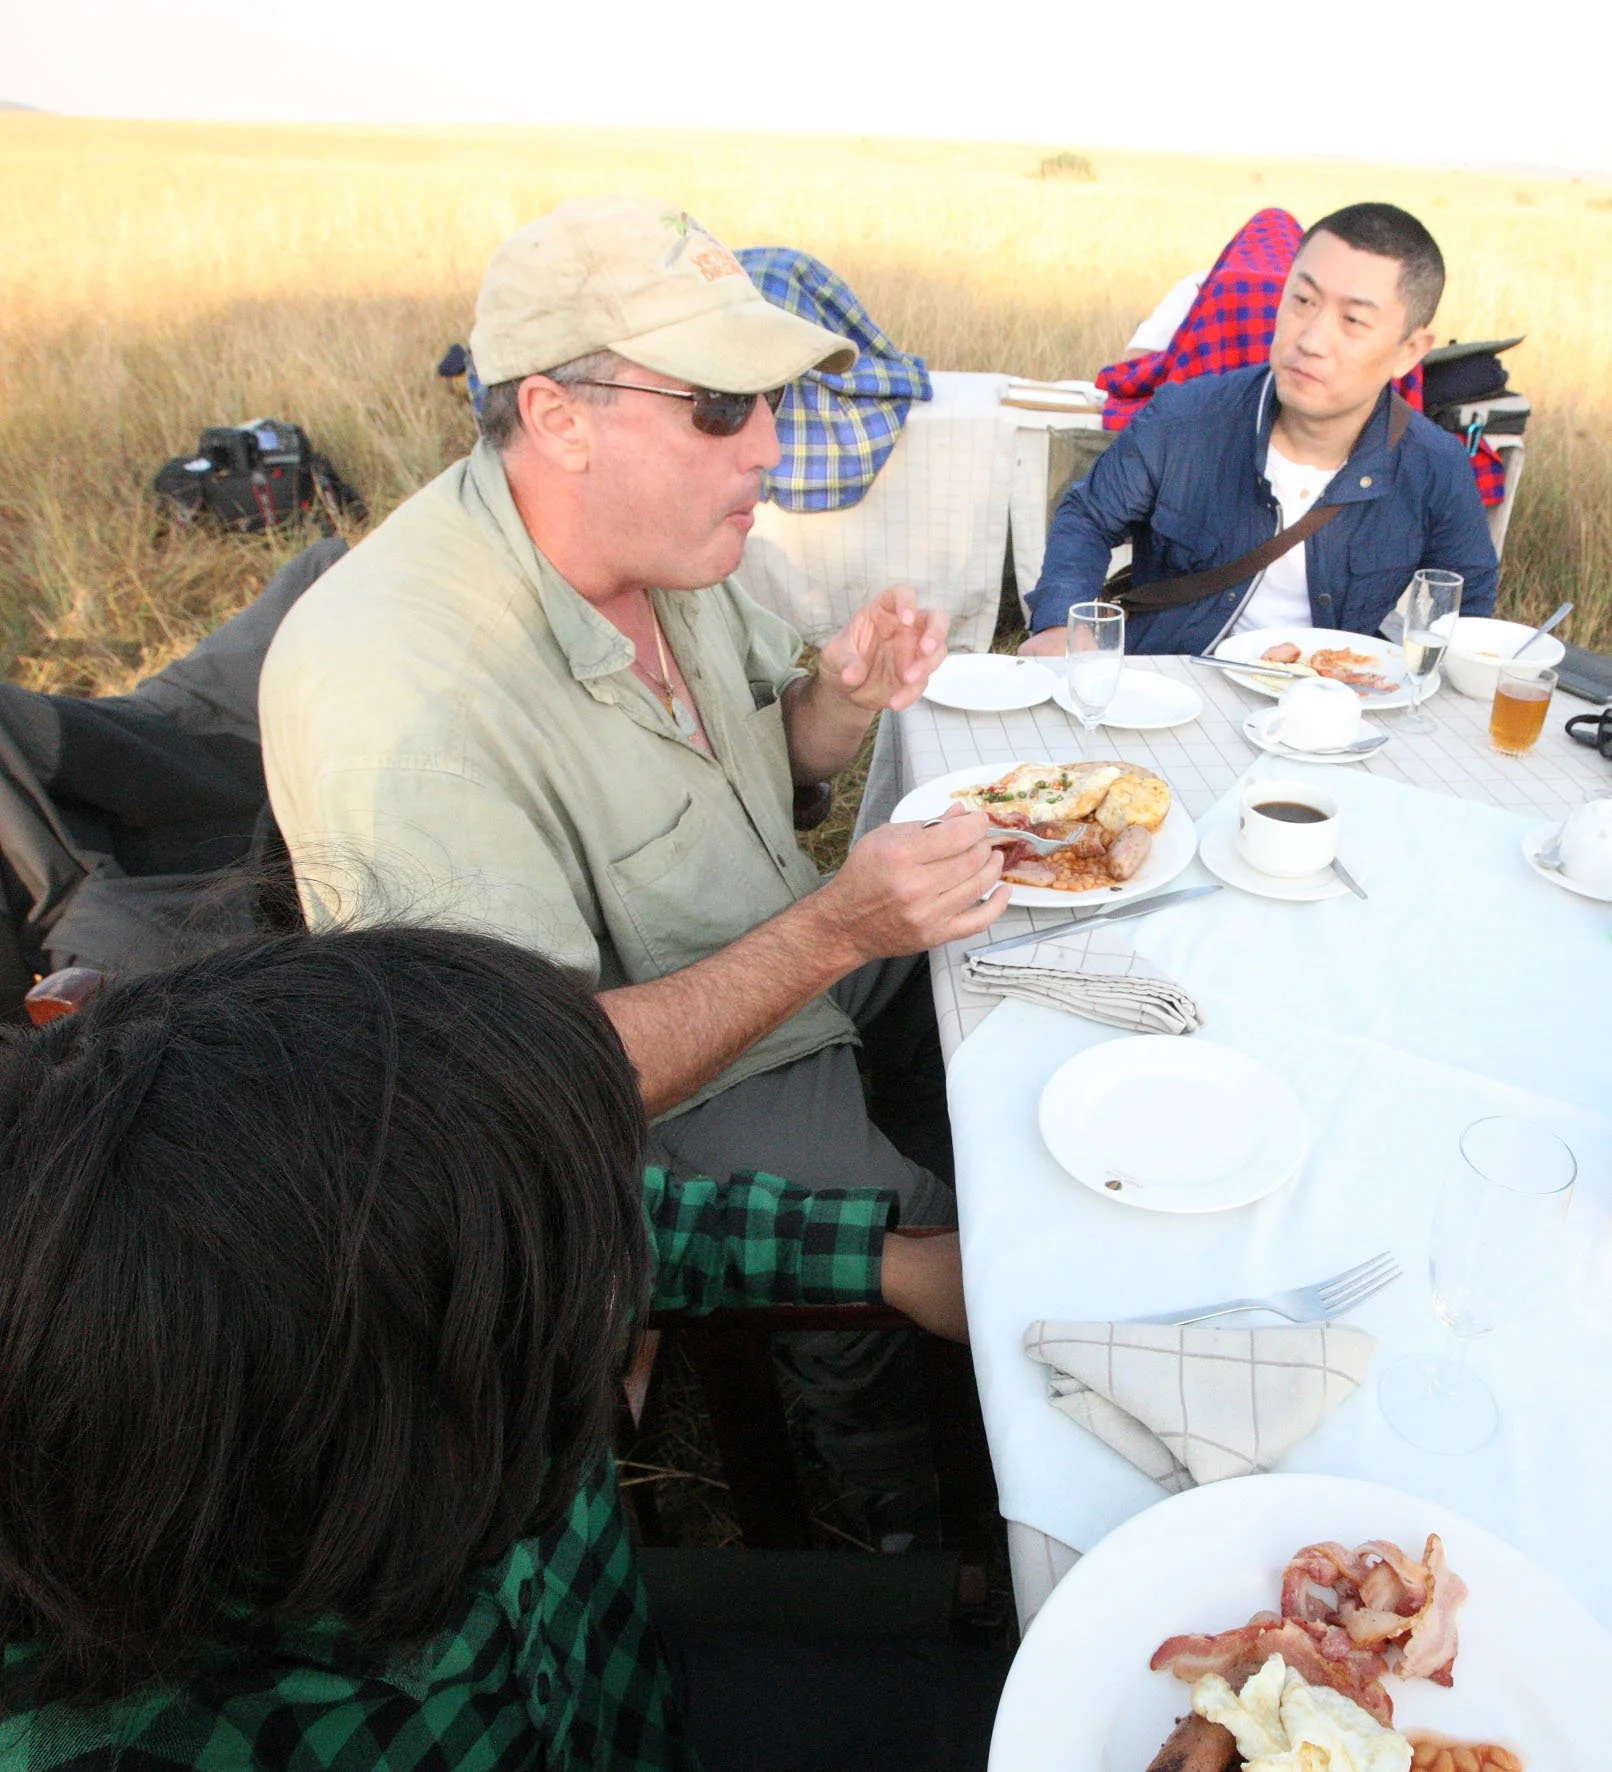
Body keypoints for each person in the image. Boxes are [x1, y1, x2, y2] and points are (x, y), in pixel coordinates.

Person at [258, 195, 1009, 1536]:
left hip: (774, 958)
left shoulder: (671, 547)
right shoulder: (401, 693)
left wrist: (836, 703)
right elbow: (518, 1094)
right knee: (938, 1221)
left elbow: (758, 769)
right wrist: (839, 930)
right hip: (630, 1110)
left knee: (1015, 981)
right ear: (559, 417)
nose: (771, 452)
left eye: (769, 402)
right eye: (723, 409)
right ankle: (899, 1509)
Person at [0, 926, 1003, 1772]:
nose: (614, 1299)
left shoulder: (388, 1313)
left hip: (630, 1684)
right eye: (558, 1317)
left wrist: (890, 1263)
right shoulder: (154, 1736)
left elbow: (582, 1217)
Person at [1020, 203, 1499, 656]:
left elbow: (1466, 602)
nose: (1310, 340)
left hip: (1327, 705)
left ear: (1409, 351)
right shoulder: (1184, 419)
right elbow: (1088, 516)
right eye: (1303, 301)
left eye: (1353, 320)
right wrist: (1063, 624)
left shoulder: (1434, 465)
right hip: (1175, 690)